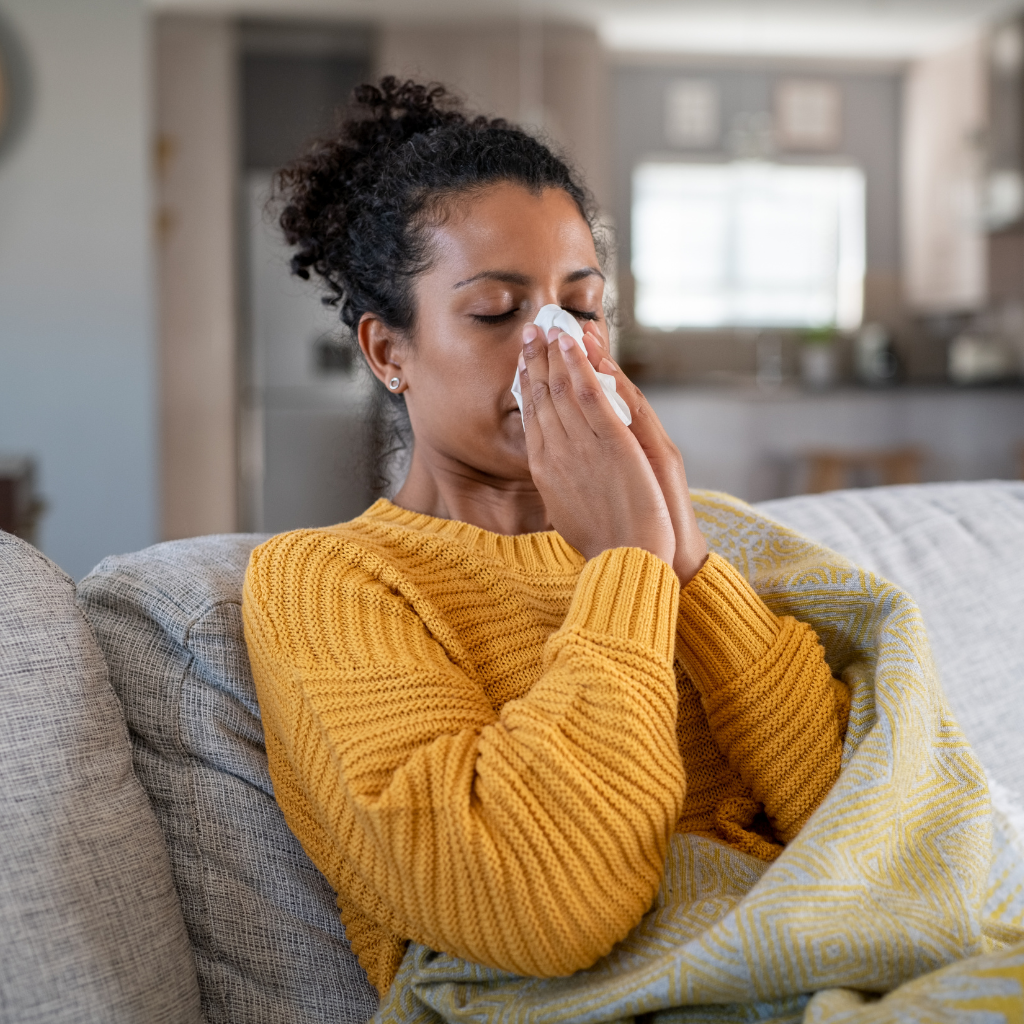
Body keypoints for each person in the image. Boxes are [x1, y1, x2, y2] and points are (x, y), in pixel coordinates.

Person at [242, 77, 850, 998]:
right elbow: (538, 903)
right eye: (496, 312)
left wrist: (684, 562)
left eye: (585, 306)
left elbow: (865, 823)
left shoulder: (692, 538)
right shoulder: (329, 582)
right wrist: (629, 568)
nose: (556, 346)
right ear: (388, 351)